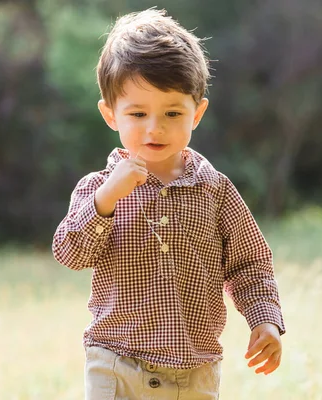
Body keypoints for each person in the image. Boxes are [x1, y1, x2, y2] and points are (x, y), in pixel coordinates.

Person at [52, 8, 285, 400]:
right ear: (110, 115)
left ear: (198, 112)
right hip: (115, 364)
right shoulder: (97, 189)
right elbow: (69, 253)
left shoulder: (215, 191)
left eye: (173, 113)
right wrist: (107, 197)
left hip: (193, 373)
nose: (154, 127)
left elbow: (251, 264)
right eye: (138, 113)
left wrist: (265, 320)